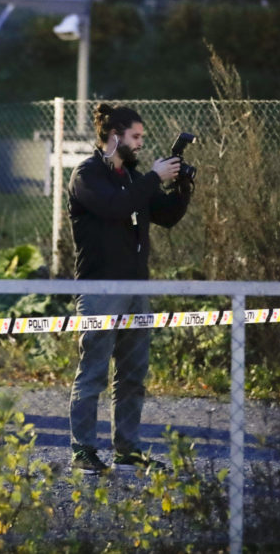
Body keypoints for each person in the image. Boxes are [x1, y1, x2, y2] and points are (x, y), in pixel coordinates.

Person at [67, 103, 192, 474]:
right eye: (135, 136)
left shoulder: (132, 178)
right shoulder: (87, 174)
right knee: (93, 373)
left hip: (137, 288)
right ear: (114, 135)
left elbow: (167, 216)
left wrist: (182, 183)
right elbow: (114, 208)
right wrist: (153, 177)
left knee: (133, 375)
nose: (140, 143)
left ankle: (127, 450)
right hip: (100, 289)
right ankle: (83, 451)